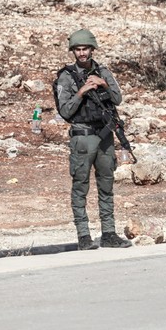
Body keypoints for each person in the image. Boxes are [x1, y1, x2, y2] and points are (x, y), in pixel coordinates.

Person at [54, 29, 132, 250]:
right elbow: (65, 111)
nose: (82, 54)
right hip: (82, 137)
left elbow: (118, 99)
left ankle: (108, 233)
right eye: (77, 50)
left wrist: (104, 84)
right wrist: (81, 92)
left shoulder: (103, 72)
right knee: (80, 187)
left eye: (85, 49)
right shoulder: (66, 76)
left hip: (104, 136)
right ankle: (84, 236)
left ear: (92, 49)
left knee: (106, 186)